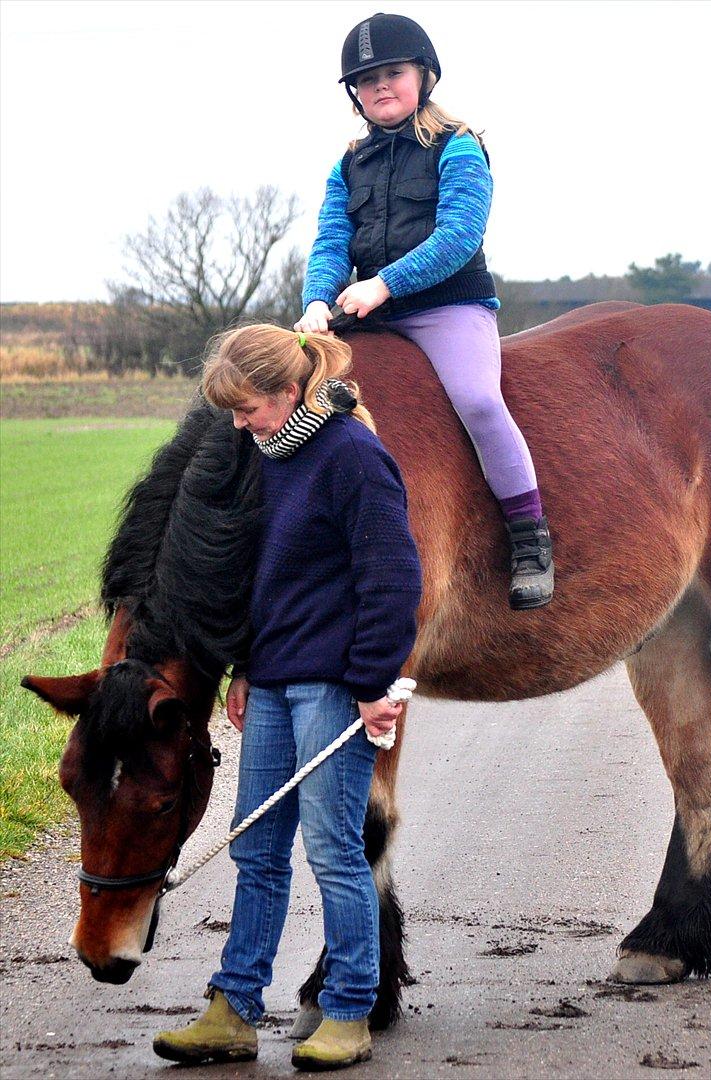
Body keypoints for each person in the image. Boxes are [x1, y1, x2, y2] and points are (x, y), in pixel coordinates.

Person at [152, 324, 422, 1072]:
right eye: (232, 413)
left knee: (334, 850)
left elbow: (393, 580)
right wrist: (245, 667)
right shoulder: (263, 457)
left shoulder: (353, 458)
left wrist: (374, 686)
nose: (239, 425)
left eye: (248, 409)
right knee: (257, 846)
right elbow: (260, 576)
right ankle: (233, 1008)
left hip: (335, 689)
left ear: (289, 391)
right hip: (270, 683)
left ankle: (349, 1010)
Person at [295, 11, 554, 610]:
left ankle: (530, 537)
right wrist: (316, 298)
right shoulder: (347, 164)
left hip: (448, 308)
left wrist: (382, 285)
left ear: (424, 76)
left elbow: (460, 235)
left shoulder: (458, 147)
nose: (380, 86)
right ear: (355, 96)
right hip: (367, 311)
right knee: (285, 393)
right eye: (366, 80)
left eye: (393, 72)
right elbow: (332, 242)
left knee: (480, 402)